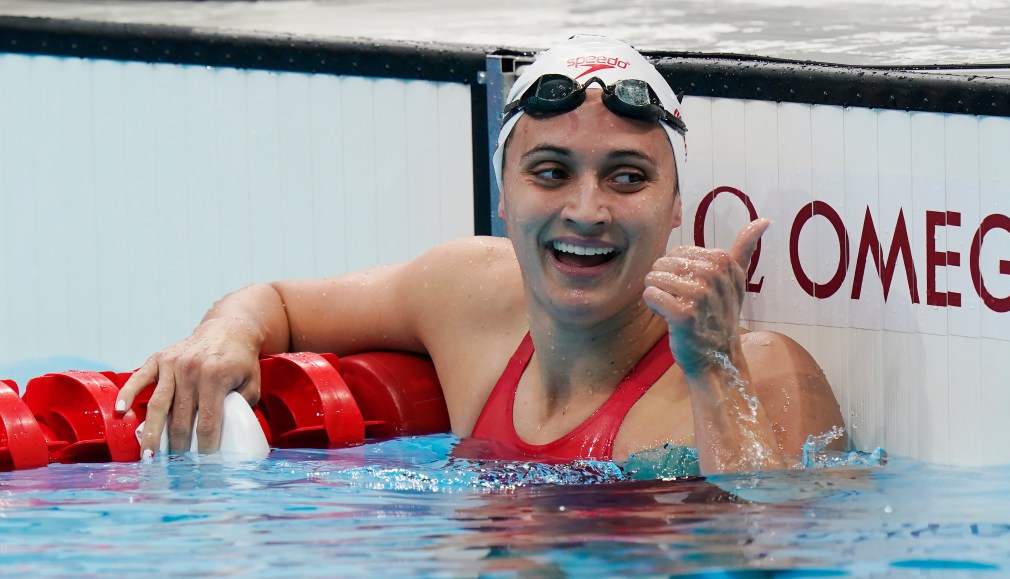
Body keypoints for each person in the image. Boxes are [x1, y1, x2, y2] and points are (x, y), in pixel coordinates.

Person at [114, 35, 843, 476]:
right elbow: (276, 303)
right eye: (550, 172)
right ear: (503, 196)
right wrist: (223, 334)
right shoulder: (468, 292)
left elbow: (767, 568)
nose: (585, 210)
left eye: (627, 177)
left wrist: (714, 369)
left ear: (675, 207)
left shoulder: (763, 367)